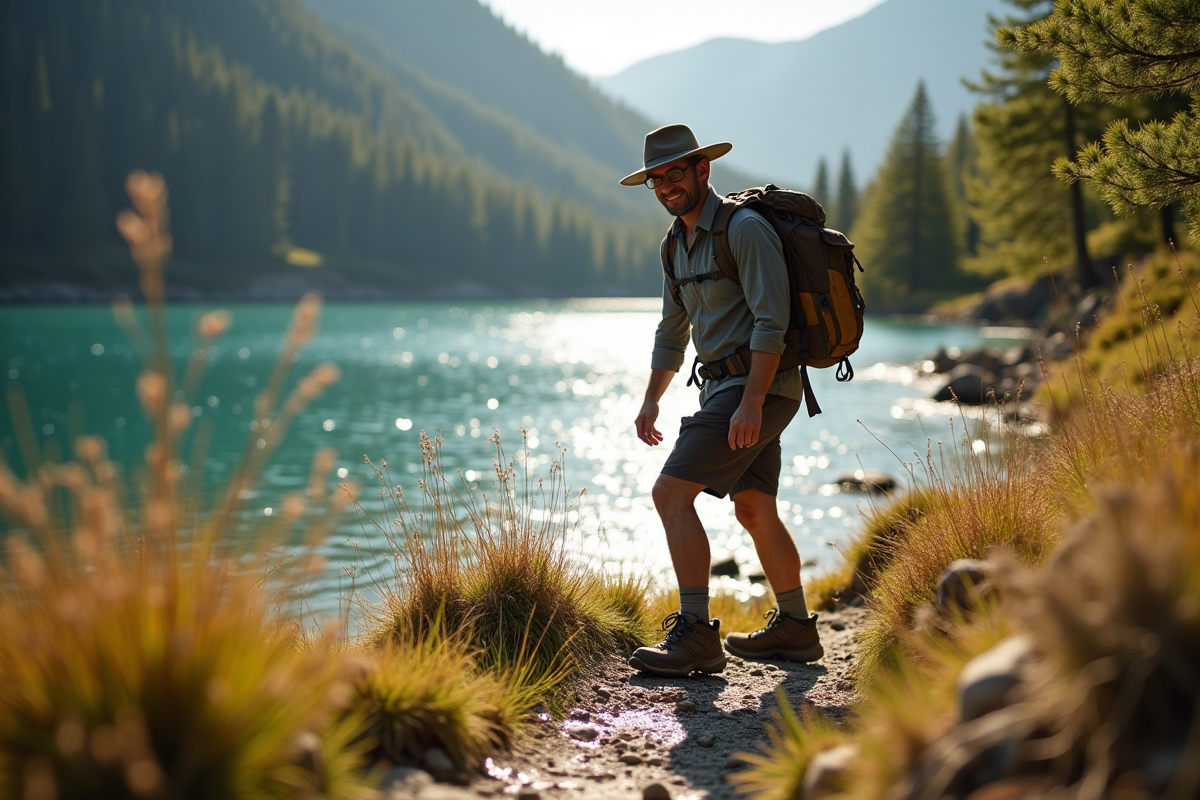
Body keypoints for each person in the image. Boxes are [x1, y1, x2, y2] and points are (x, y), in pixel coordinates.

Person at [618, 123, 824, 677]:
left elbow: (771, 320)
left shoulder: (745, 228)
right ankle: (798, 629)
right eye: (656, 179)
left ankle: (695, 634)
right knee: (754, 508)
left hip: (759, 388)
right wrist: (650, 401)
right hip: (724, 389)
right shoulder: (674, 245)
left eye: (675, 173)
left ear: (702, 170)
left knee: (669, 494)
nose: (666, 186)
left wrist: (752, 402)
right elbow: (671, 331)